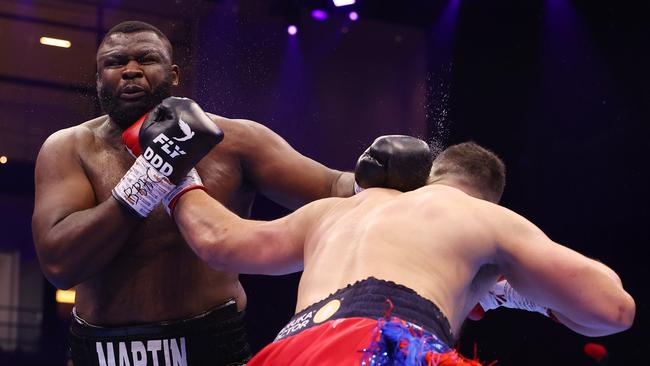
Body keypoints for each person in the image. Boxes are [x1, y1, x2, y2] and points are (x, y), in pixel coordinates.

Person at [30, 20, 433, 366]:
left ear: (173, 75)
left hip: (211, 347)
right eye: (115, 63)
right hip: (104, 353)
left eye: (146, 59)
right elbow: (60, 263)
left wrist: (376, 175)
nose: (130, 71)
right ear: (100, 78)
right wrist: (150, 175)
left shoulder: (235, 141)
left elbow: (330, 187)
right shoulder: (69, 149)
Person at [171, 141, 636, 365]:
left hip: (291, 350)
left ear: (433, 173)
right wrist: (524, 294)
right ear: (486, 196)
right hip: (388, 345)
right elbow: (613, 310)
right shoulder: (479, 216)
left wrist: (168, 168)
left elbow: (218, 241)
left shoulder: (336, 210)